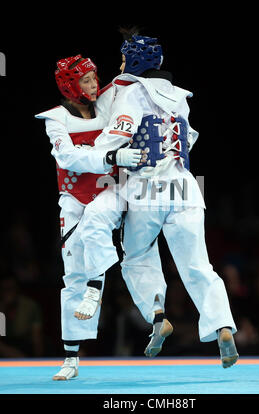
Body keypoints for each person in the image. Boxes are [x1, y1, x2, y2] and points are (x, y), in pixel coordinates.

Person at [75, 28, 239, 368]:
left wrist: (93, 152)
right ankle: (223, 325)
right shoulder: (181, 96)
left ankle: (157, 315)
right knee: (197, 264)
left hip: (148, 188)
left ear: (133, 62)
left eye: (123, 59)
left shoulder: (129, 94)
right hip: (186, 187)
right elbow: (188, 139)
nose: (120, 65)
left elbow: (115, 135)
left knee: (136, 256)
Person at [35, 54, 143, 380]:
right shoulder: (55, 118)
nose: (94, 85)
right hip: (72, 197)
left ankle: (98, 287)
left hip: (111, 190)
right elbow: (66, 156)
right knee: (72, 275)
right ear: (70, 86)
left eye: (95, 78)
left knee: (98, 224)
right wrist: (111, 154)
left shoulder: (107, 103)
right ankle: (70, 358)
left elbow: (131, 83)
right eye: (85, 80)